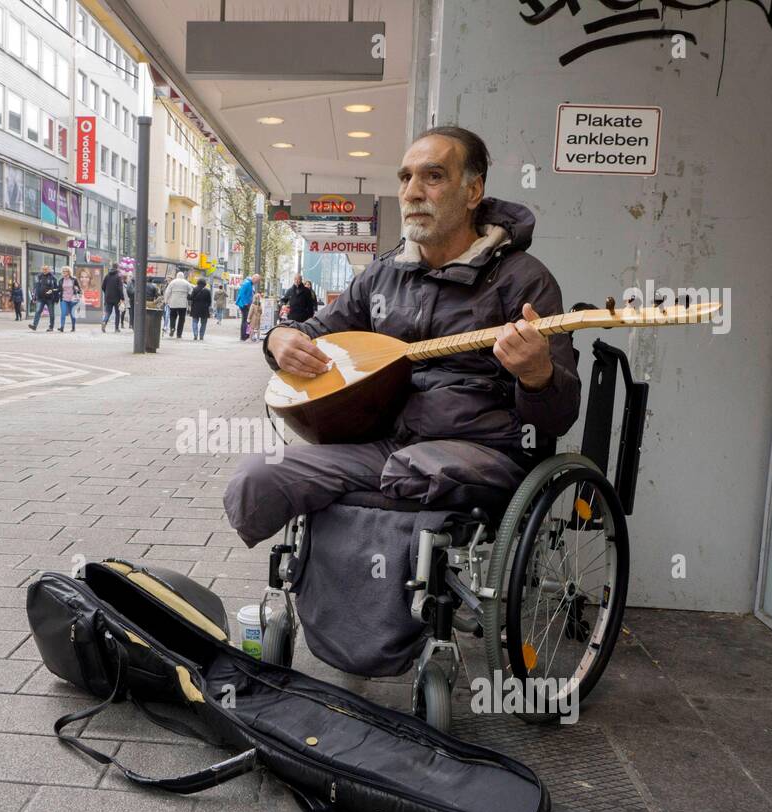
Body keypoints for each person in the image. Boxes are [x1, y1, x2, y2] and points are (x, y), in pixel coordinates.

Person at [223, 124, 581, 548]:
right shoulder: (384, 273)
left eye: (432, 176)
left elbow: (557, 417)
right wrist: (278, 339)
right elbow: (315, 332)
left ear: (472, 192)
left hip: (482, 452)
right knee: (257, 478)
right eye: (405, 178)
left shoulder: (524, 280)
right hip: (386, 448)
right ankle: (321, 601)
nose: (411, 191)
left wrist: (537, 375)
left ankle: (383, 591)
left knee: (412, 473)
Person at [164, 270, 193, 339]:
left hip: (173, 303)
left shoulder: (172, 282)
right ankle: (179, 334)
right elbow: (191, 291)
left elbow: (167, 292)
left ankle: (172, 328)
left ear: (177, 276)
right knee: (181, 319)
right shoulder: (186, 283)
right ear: (183, 276)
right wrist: (188, 297)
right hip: (183, 304)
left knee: (172, 316)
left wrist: (166, 300)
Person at [29, 266, 59, 331]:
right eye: (43, 269)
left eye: (46, 269)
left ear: (49, 270)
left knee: (51, 313)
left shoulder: (53, 278)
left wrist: (56, 299)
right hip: (41, 298)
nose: (44, 270)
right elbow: (36, 288)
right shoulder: (39, 277)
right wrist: (34, 297)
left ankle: (51, 327)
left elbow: (56, 289)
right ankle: (34, 325)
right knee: (38, 311)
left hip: (50, 299)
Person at [101, 263, 125, 332]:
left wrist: (107, 292)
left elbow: (103, 286)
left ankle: (104, 321)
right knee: (117, 313)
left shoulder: (107, 276)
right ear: (117, 268)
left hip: (108, 297)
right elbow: (120, 289)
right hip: (117, 298)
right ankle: (116, 328)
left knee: (108, 312)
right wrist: (122, 298)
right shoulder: (118, 276)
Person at [235, 274, 258, 341]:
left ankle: (245, 335)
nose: (256, 283)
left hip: (245, 304)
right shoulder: (247, 283)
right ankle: (244, 336)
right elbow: (241, 293)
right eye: (256, 281)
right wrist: (246, 303)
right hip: (243, 304)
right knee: (246, 320)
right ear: (254, 279)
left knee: (246, 320)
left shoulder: (249, 283)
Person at [58, 266, 79, 332]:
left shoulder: (74, 279)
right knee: (63, 313)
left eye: (65, 271)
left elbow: (79, 288)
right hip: (64, 299)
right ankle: (62, 327)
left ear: (69, 272)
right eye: (63, 271)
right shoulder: (61, 280)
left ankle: (73, 327)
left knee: (72, 314)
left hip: (72, 299)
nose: (64, 272)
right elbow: (59, 289)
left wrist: (77, 289)